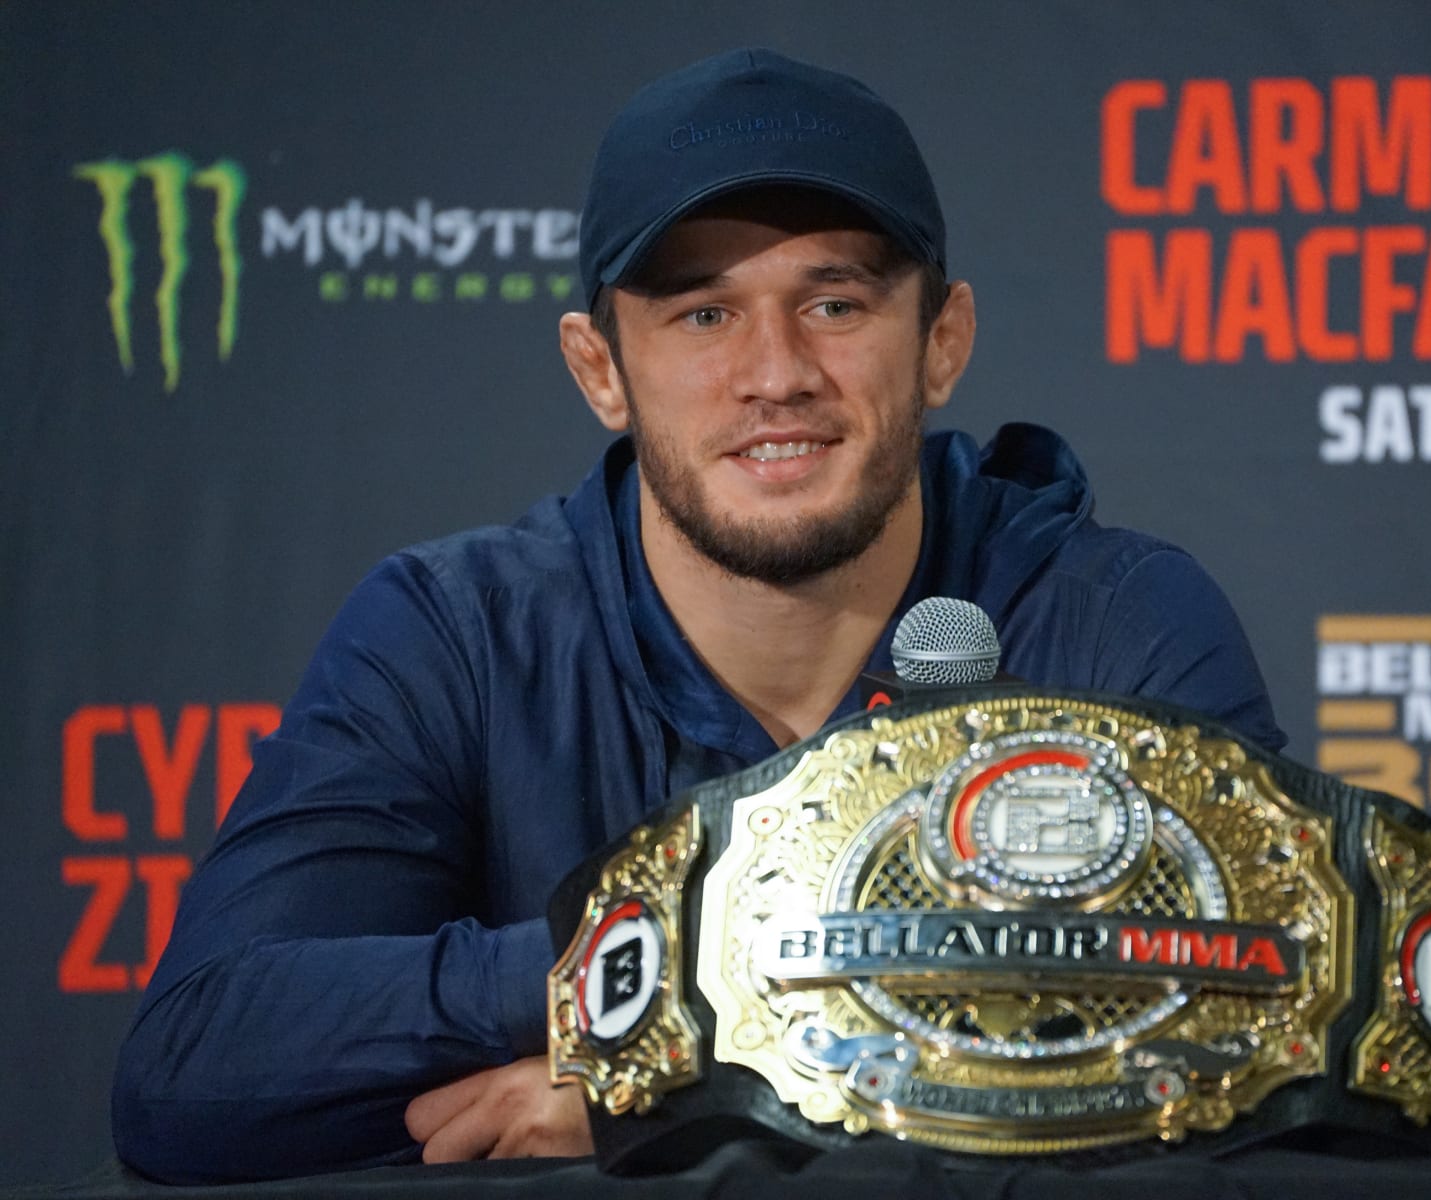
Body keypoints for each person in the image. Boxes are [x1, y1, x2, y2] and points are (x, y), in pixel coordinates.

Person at [111, 48, 1284, 1184]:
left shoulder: (1111, 622)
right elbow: (195, 1074)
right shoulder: (456, 635)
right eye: (702, 316)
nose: (775, 373)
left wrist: (686, 1091)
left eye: (834, 302)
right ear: (600, 369)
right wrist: (677, 966)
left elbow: (1285, 1052)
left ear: (942, 343)